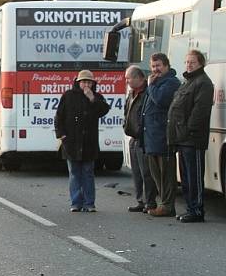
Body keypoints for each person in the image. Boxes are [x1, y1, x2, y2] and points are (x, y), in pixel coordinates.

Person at [167, 50, 214, 223]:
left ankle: (197, 210)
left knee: (194, 177)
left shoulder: (203, 83)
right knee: (185, 178)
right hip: (182, 138)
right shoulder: (187, 82)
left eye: (192, 62)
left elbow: (199, 112)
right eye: (186, 62)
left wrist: (187, 131)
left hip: (193, 139)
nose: (188, 65)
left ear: (201, 63)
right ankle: (190, 208)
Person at [54, 70, 110, 212]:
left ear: (93, 83)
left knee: (88, 172)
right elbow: (59, 117)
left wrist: (92, 99)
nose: (86, 85)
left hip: (89, 142)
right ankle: (76, 203)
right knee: (74, 173)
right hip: (71, 141)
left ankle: (89, 203)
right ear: (78, 82)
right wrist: (61, 135)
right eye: (83, 82)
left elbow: (104, 110)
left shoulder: (97, 97)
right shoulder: (68, 96)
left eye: (89, 82)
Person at [142, 53, 181, 218]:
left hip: (162, 134)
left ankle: (167, 205)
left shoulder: (171, 82)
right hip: (151, 135)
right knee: (156, 173)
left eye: (158, 66)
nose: (155, 69)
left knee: (166, 174)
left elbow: (161, 100)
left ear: (166, 65)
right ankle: (163, 204)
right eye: (153, 66)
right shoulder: (157, 82)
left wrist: (150, 86)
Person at [123, 66, 157, 213]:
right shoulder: (131, 93)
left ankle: (150, 202)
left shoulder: (147, 92)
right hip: (133, 137)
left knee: (146, 172)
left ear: (138, 78)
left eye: (128, 78)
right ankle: (140, 201)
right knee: (136, 172)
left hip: (143, 138)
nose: (127, 81)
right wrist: (125, 125)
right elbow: (127, 112)